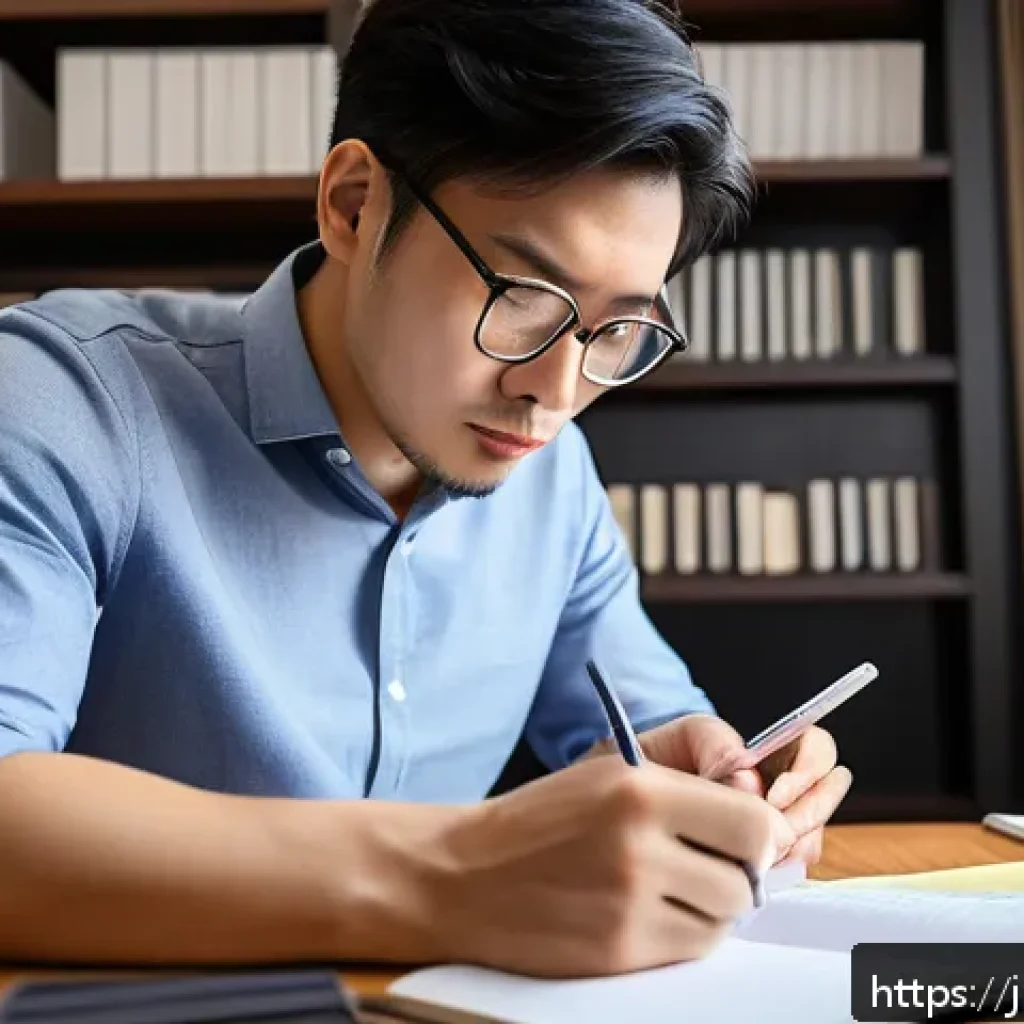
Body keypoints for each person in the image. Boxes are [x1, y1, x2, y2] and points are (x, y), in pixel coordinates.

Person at [0, 0, 852, 978]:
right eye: (521, 296)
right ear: (354, 203)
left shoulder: (547, 476)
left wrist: (731, 792)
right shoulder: (62, 399)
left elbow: (652, 736)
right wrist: (449, 873)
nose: (556, 390)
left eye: (618, 329)